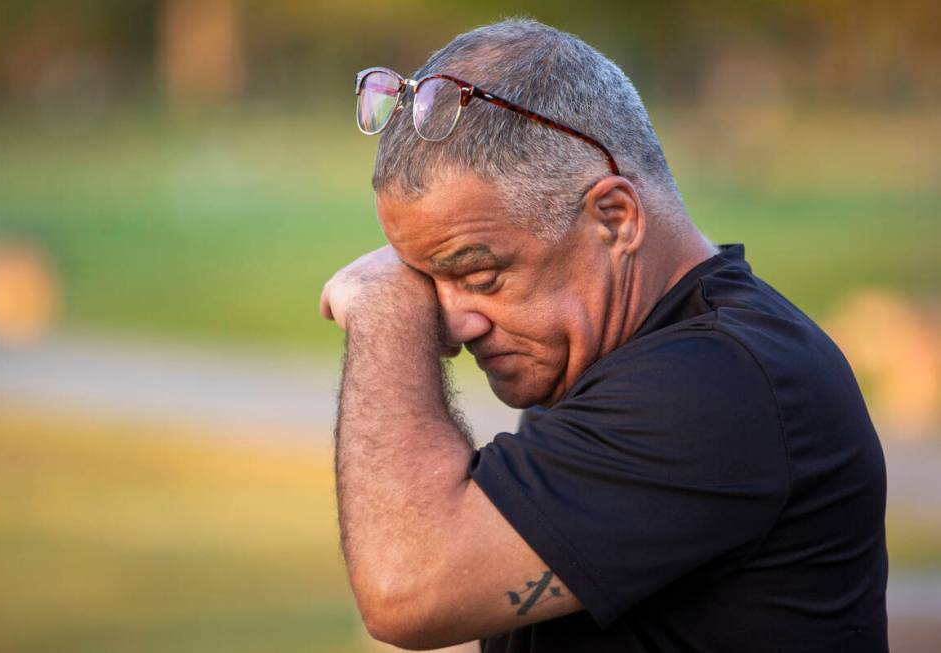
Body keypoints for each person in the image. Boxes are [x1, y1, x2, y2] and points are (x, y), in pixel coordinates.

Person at [319, 19, 888, 653]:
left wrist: (384, 305)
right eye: (423, 280)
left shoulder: (720, 383)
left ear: (614, 218)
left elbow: (408, 589)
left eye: (479, 273)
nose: (453, 321)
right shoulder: (615, 362)